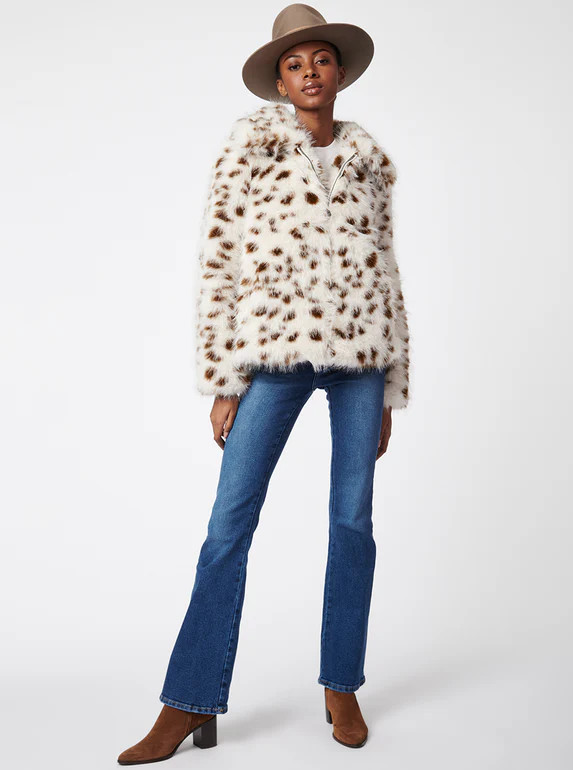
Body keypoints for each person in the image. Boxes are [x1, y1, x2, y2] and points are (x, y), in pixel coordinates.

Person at [117, 3, 410, 763]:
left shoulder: (370, 160)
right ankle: (188, 700)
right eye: (294, 64)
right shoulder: (249, 147)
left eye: (321, 60)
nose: (310, 73)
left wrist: (390, 384)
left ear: (339, 73)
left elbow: (387, 271)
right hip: (273, 356)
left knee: (352, 522)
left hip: (361, 361)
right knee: (229, 524)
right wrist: (225, 377)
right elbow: (220, 260)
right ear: (280, 82)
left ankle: (341, 685)